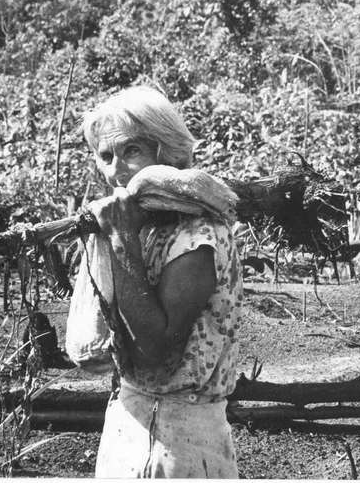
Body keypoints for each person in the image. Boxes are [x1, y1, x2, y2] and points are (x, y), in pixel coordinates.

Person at [66, 85, 243, 478]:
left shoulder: (198, 236)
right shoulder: (141, 227)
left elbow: (155, 352)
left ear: (166, 153)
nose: (117, 170)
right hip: (127, 423)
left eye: (132, 151)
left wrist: (120, 237)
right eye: (106, 156)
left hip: (180, 440)